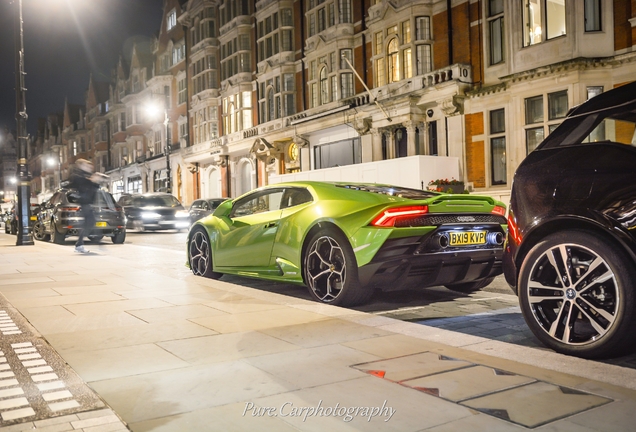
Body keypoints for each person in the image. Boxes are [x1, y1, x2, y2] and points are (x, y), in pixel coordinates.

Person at [67, 159, 100, 253]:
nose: (90, 168)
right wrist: (92, 180)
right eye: (87, 166)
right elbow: (80, 184)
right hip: (84, 202)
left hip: (88, 202)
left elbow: (94, 188)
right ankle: (79, 244)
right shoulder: (77, 175)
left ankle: (79, 244)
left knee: (89, 222)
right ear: (81, 166)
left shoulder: (85, 176)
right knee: (89, 222)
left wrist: (96, 182)